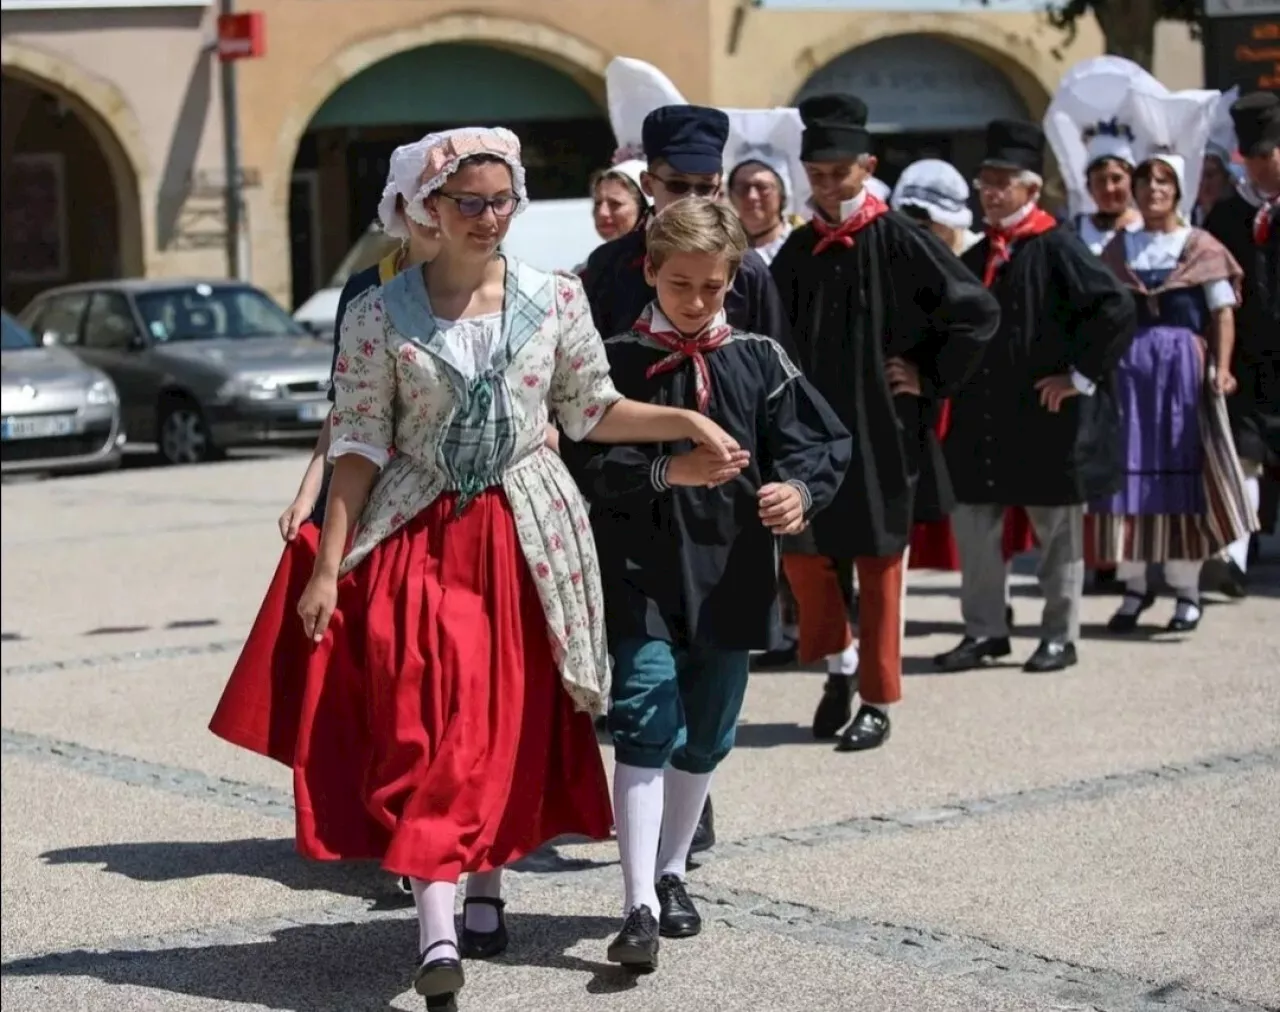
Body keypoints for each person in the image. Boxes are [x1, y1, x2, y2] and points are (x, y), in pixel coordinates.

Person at [212, 126, 743, 1012]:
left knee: (499, 729)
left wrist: (684, 423)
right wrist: (326, 563)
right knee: (430, 730)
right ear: (427, 207)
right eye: (470, 202)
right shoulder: (378, 314)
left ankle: (484, 894)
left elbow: (592, 410)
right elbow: (357, 441)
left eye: (502, 200)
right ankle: (440, 932)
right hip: (419, 534)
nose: (490, 217)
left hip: (525, 532)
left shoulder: (555, 297)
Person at [565, 198, 850, 971]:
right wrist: (666, 468)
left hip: (732, 570)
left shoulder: (760, 358)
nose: (696, 301)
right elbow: (581, 460)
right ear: (650, 270)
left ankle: (672, 869)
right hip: (638, 570)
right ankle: (638, 906)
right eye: (681, 283)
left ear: (733, 283)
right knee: (645, 716)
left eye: (714, 288)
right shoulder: (611, 359)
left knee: (708, 734)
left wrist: (798, 492)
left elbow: (820, 443)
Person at [581, 100, 791, 852]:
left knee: (712, 690)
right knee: (642, 683)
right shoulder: (605, 273)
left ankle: (687, 812)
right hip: (636, 512)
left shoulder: (752, 271)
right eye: (680, 184)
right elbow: (585, 404)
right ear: (647, 181)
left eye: (712, 184)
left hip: (721, 519)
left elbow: (774, 388)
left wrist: (785, 489)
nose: (699, 198)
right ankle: (640, 814)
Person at [770, 94, 1000, 751]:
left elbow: (975, 310)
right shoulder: (797, 249)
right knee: (807, 559)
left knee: (877, 569)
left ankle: (877, 698)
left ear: (867, 167)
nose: (828, 183)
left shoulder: (897, 237)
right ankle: (839, 667)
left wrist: (929, 374)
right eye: (816, 172)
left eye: (840, 171)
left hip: (879, 434)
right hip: (808, 436)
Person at [211, 144, 440, 780]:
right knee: (369, 647)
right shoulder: (367, 289)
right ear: (397, 208)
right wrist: (306, 490)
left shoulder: (472, 286)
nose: (425, 217)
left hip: (437, 487)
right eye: (414, 205)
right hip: (362, 484)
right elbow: (346, 406)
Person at [933, 119, 1136, 675]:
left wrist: (1080, 377)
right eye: (985, 182)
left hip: (1047, 421)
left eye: (1002, 182)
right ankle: (984, 631)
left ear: (1030, 189)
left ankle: (1058, 635)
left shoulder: (1057, 246)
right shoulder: (977, 256)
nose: (990, 192)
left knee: (1056, 535)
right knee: (976, 529)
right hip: (983, 420)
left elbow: (1116, 308)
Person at [1094, 144, 1255, 632]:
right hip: (1130, 372)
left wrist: (1221, 367)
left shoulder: (1200, 246)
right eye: (1145, 183)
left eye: (1163, 182)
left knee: (1183, 472)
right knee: (1129, 475)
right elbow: (1103, 309)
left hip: (1183, 368)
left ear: (1177, 191)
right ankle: (1135, 586)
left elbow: (1222, 312)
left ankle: (1187, 589)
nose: (1153, 190)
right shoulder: (1121, 248)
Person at [892, 160, 1034, 604]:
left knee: (990, 511)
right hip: (934, 405)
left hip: (979, 403)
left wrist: (933, 374)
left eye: (928, 224)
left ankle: (996, 606)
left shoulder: (978, 258)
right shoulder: (912, 260)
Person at [1205, 91, 1280, 591]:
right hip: (1247, 360)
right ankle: (1232, 557)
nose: (1257, 169)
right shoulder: (1226, 218)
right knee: (1244, 454)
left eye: (1266, 157)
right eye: (1249, 159)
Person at [723, 107, 809, 265]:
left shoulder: (804, 249)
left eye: (762, 187)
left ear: (782, 194)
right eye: (743, 187)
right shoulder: (720, 249)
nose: (752, 196)